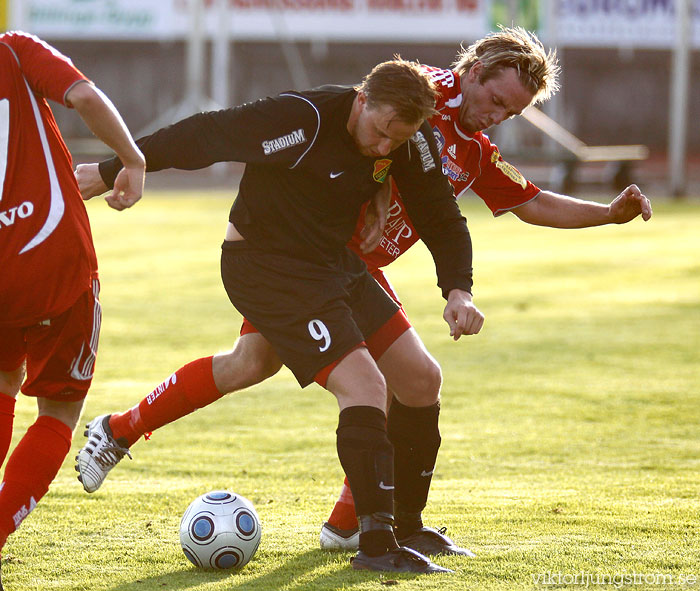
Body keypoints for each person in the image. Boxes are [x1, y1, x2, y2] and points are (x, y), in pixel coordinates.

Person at [75, 26, 651, 559]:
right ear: (473, 71)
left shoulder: (461, 147)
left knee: (389, 377)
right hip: (293, 262)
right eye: (497, 101)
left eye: (514, 112)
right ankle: (360, 527)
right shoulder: (406, 95)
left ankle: (370, 521)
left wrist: (603, 216)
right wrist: (112, 168)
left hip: (339, 267)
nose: (500, 116)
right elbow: (235, 133)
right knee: (344, 380)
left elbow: (506, 206)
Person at [76, 57, 485, 573]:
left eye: (394, 142)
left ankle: (407, 526)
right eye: (380, 132)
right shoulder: (301, 119)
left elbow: (442, 217)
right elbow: (206, 135)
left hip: (332, 266)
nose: (384, 148)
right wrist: (115, 168)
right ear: (363, 100)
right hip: (264, 266)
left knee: (419, 379)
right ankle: (375, 543)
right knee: (364, 386)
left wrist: (458, 291)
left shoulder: (410, 138)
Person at [0, 31, 145, 590]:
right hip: (53, 261)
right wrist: (131, 159)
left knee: (3, 380)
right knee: (59, 412)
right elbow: (84, 97)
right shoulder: (14, 49)